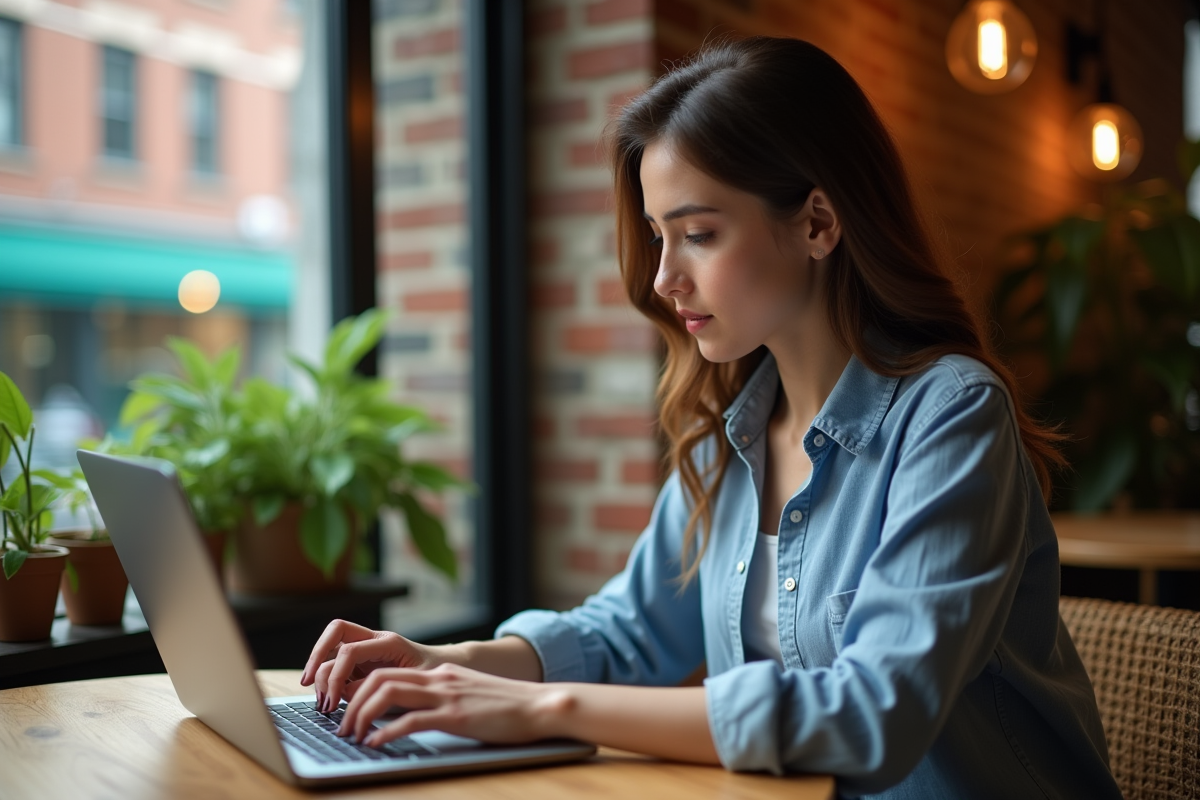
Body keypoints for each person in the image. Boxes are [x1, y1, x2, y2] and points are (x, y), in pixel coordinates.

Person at [301, 37, 1122, 798]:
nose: (663, 278)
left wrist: (544, 710)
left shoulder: (950, 415)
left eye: (697, 234)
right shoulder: (732, 428)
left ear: (818, 223)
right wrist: (445, 663)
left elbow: (873, 715)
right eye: (660, 236)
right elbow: (627, 635)